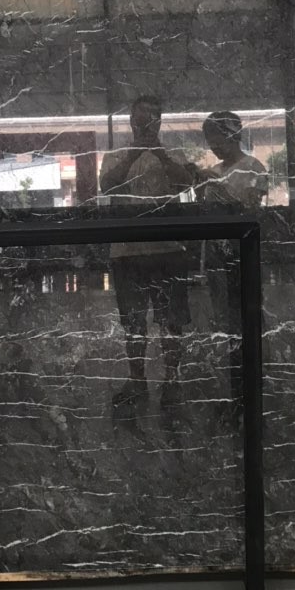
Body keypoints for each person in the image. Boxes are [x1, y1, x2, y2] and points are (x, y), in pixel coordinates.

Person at [100, 95, 195, 406]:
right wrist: (133, 155)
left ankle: (172, 378)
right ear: (131, 120)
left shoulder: (173, 154)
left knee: (172, 320)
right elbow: (107, 186)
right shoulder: (115, 155)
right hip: (127, 250)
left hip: (167, 247)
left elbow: (186, 184)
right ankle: (138, 378)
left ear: (160, 121)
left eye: (154, 116)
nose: (148, 122)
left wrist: (162, 156)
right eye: (143, 116)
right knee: (133, 321)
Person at [197, 111, 267, 414]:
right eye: (209, 140)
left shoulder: (253, 167)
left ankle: (247, 390)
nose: (213, 146)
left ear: (233, 135)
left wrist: (218, 186)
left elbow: (249, 209)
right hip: (216, 254)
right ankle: (231, 388)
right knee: (223, 322)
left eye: (216, 139)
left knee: (243, 319)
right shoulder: (214, 170)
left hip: (241, 254)